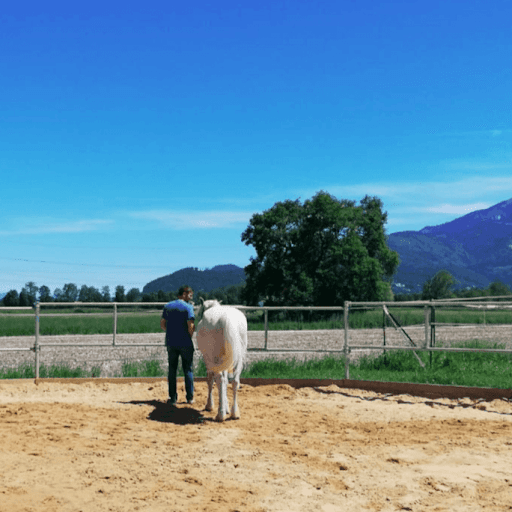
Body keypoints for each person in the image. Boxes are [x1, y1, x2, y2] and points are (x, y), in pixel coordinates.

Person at [160, 285, 195, 405]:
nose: (190, 297)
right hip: (185, 342)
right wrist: (188, 336)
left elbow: (162, 324)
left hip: (171, 342)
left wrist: (171, 332)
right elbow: (190, 326)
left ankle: (173, 398)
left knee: (172, 370)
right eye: (189, 294)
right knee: (188, 369)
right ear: (184, 294)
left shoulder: (167, 306)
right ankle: (189, 397)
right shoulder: (188, 307)